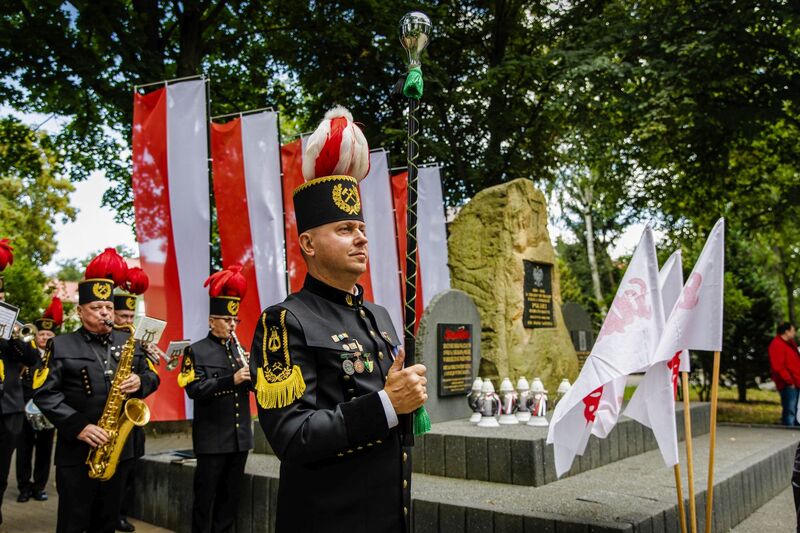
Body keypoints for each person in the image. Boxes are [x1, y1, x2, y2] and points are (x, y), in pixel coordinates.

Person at [250, 107, 427, 533]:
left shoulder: (379, 315)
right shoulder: (284, 321)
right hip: (327, 518)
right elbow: (292, 437)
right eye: (346, 228)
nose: (362, 236)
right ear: (308, 243)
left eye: (361, 227)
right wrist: (387, 403)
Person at [33, 248, 159, 533]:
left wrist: (142, 382)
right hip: (77, 452)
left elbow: (152, 377)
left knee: (107, 522)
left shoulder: (129, 341)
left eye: (108, 307)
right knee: (73, 522)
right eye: (96, 308)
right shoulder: (62, 345)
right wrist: (78, 426)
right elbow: (44, 393)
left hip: (118, 452)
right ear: (79, 311)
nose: (105, 313)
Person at [178, 264, 253, 533]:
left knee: (230, 498)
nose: (232, 325)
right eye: (227, 321)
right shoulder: (195, 351)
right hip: (211, 440)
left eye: (235, 321)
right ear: (212, 321)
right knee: (205, 498)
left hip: (239, 437)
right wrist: (230, 380)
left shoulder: (239, 350)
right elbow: (194, 389)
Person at [112, 266, 156, 533]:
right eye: (122, 315)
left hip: (130, 422)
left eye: (131, 315)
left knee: (128, 472)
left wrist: (142, 381)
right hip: (104, 420)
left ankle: (120, 514)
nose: (127, 320)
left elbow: (153, 378)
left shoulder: (138, 343)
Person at [16, 296, 62, 503]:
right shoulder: (29, 353)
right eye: (41, 333)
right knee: (24, 450)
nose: (44, 337)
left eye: (48, 334)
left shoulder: (59, 356)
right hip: (25, 408)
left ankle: (39, 486)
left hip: (49, 410)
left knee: (45, 450)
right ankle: (24, 487)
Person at [768, 322, 800, 426]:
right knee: (789, 409)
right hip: (788, 383)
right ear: (786, 331)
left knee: (794, 408)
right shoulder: (777, 344)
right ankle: (788, 431)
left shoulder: (789, 344)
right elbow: (778, 366)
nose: (794, 333)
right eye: (792, 330)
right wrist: (789, 381)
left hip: (795, 380)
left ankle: (792, 428)